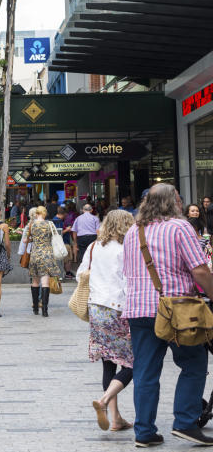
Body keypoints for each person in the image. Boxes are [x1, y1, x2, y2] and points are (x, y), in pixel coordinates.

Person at [121, 183, 213, 446]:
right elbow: (199, 270)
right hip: (175, 310)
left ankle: (144, 432)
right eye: (179, 199)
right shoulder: (179, 227)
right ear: (173, 202)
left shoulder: (133, 231)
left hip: (138, 309)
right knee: (194, 364)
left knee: (145, 372)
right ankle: (185, 422)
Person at [77, 209, 135, 433]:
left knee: (108, 362)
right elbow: (129, 282)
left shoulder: (93, 247)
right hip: (119, 308)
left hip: (96, 308)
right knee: (133, 363)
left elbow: (83, 272)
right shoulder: (125, 249)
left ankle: (115, 418)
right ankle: (104, 400)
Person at [23, 206, 58, 317]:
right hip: (47, 255)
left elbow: (25, 240)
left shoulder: (31, 225)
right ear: (45, 214)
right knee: (45, 283)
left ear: (36, 213)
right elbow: (55, 237)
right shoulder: (50, 224)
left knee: (35, 282)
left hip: (35, 255)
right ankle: (45, 310)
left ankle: (35, 308)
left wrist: (33, 238)